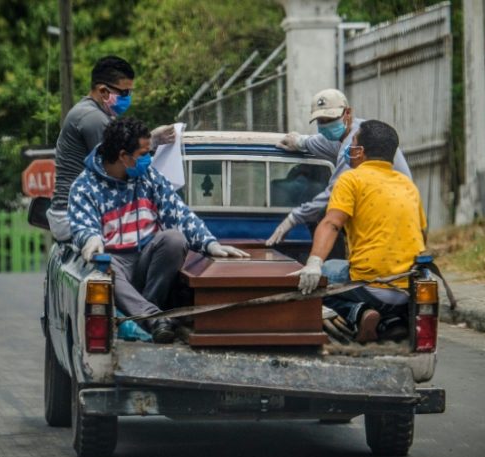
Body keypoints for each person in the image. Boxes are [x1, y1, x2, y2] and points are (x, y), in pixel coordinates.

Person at [68, 117, 249, 343]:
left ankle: (141, 316)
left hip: (145, 258)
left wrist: (210, 244)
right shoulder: (84, 187)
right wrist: (90, 239)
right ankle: (154, 319)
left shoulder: (148, 177)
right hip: (114, 262)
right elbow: (83, 225)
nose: (148, 159)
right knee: (104, 266)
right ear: (123, 157)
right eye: (143, 154)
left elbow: (178, 213)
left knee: (174, 239)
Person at [291, 120, 427, 343]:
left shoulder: (351, 180)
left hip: (367, 284)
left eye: (352, 142)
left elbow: (331, 223)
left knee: (317, 276)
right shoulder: (408, 185)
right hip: (407, 287)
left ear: (360, 152)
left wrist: (313, 263)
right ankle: (391, 322)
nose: (347, 148)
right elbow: (422, 235)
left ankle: (358, 313)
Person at [47, 55, 175, 241]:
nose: (128, 98)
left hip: (81, 208)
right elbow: (121, 167)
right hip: (75, 215)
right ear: (104, 91)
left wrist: (153, 140)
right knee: (160, 235)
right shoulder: (92, 119)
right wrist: (151, 142)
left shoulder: (95, 114)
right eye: (124, 93)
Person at [266, 88, 412, 247]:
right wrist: (299, 141)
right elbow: (318, 142)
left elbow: (335, 193)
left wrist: (295, 217)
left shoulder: (354, 145)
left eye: (331, 119)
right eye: (321, 121)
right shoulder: (349, 131)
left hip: (389, 212)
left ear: (347, 113)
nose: (326, 125)